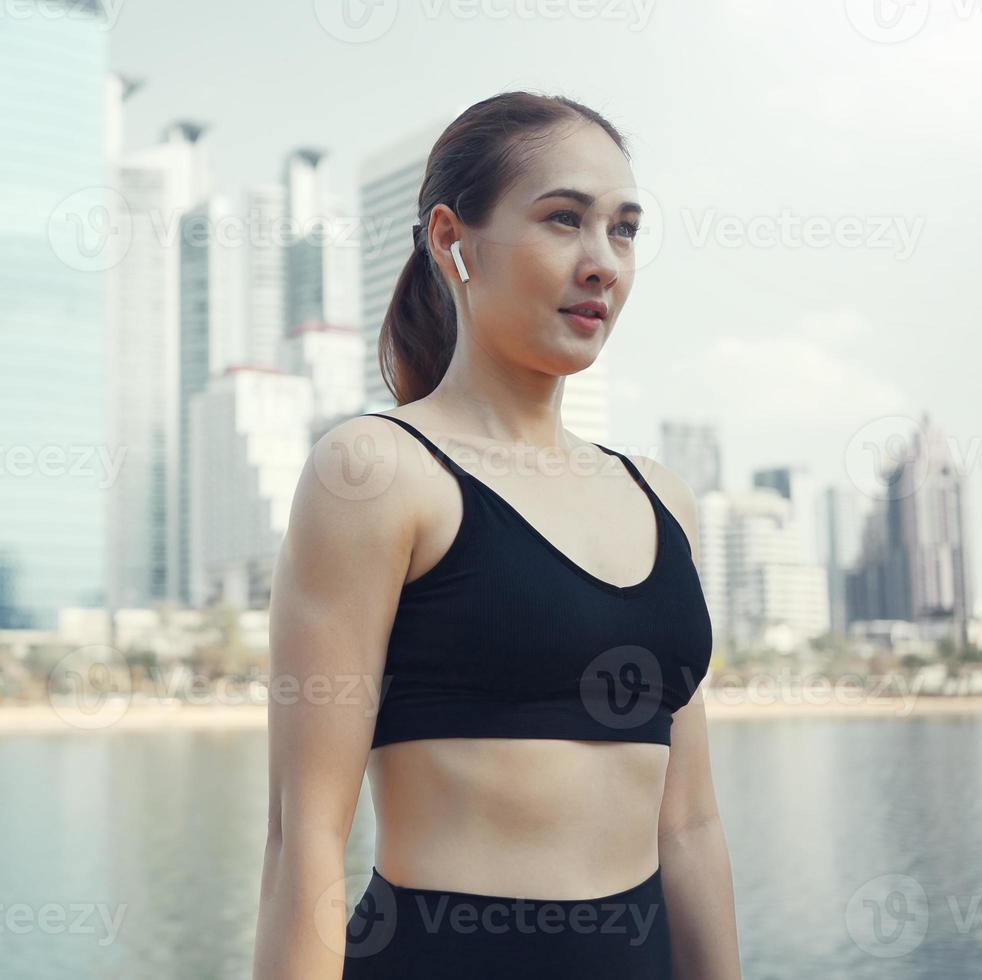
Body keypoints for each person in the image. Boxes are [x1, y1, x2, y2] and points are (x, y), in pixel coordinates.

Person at [251, 91, 742, 979]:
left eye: (622, 230)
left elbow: (691, 825)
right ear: (452, 242)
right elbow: (305, 836)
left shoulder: (663, 497)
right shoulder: (375, 471)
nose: (601, 263)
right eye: (563, 220)